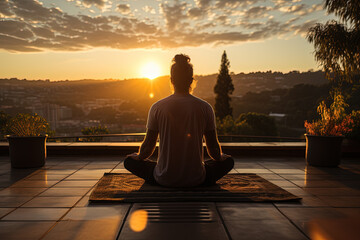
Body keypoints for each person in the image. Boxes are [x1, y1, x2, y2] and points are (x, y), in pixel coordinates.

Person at [124, 54, 234, 187]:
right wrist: (222, 158)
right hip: (197, 179)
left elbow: (147, 148)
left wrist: (138, 156)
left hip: (164, 179)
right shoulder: (205, 107)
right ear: (191, 80)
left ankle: (163, 173)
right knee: (229, 161)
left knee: (128, 161)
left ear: (171, 80)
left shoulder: (157, 107)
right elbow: (214, 151)